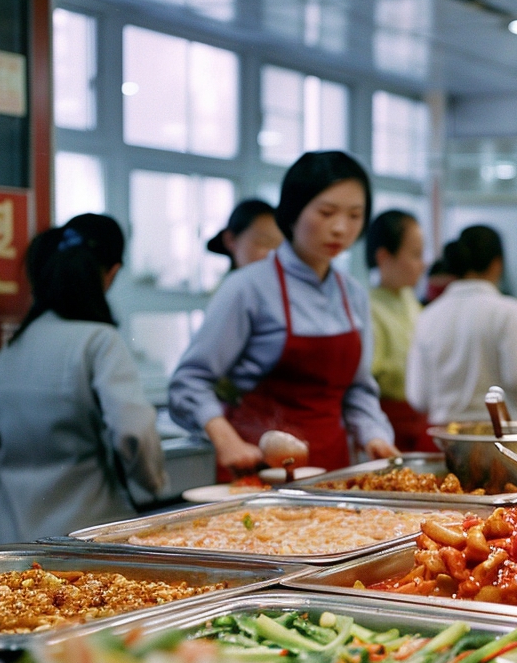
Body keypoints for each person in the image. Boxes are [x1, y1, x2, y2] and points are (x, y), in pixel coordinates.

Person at [169, 151, 396, 479]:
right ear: (292, 211)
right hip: (257, 471)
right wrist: (225, 439)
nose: (340, 228)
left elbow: (358, 390)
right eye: (327, 212)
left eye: (355, 215)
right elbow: (188, 382)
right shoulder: (247, 288)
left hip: (333, 472)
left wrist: (375, 436)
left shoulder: (353, 294)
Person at [0, 214, 166, 544]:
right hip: (86, 536)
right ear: (111, 274)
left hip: (9, 537)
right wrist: (154, 483)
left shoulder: (10, 350)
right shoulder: (99, 340)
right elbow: (132, 431)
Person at [405, 225, 517, 424]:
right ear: (497, 264)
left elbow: (418, 397)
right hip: (499, 436)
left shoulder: (428, 316)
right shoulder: (508, 311)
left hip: (446, 436)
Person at [365, 209, 432, 452]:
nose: (422, 264)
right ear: (384, 257)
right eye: (415, 254)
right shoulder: (367, 307)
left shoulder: (409, 299)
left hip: (419, 418)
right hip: (389, 422)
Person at [205, 199, 283, 272]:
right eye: (264, 242)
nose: (274, 254)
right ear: (230, 239)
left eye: (279, 246)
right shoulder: (229, 286)